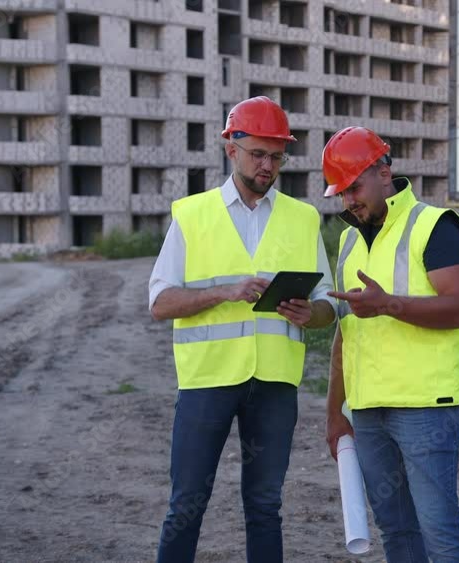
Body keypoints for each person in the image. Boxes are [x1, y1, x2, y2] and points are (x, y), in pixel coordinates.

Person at [148, 96, 336, 563]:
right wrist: (224, 292)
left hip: (274, 384)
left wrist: (308, 313)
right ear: (231, 148)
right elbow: (160, 303)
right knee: (186, 505)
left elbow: (329, 306)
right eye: (258, 154)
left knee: (265, 506)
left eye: (277, 156)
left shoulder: (303, 218)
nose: (268, 166)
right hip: (207, 381)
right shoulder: (192, 215)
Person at [322, 126, 459, 562]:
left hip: (425, 408)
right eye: (341, 192)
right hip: (368, 411)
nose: (348, 201)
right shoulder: (349, 240)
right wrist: (334, 412)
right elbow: (345, 333)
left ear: (384, 172)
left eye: (354, 187)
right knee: (397, 532)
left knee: (441, 533)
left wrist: (388, 304)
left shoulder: (434, 226)